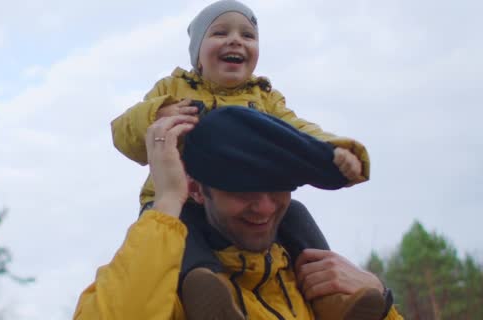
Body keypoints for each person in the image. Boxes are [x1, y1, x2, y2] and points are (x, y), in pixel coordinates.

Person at [111, 1, 376, 319]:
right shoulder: (173, 89)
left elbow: (298, 130)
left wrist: (335, 149)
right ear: (197, 55)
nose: (235, 40)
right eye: (220, 32)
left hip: (240, 206)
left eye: (248, 35)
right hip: (177, 198)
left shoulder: (265, 98)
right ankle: (204, 290)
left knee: (297, 213)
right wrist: (155, 114)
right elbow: (123, 134)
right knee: (175, 227)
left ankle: (331, 297)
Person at [74, 109, 402, 319]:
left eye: (277, 188)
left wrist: (379, 298)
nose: (265, 207)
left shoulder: (319, 283)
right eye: (242, 192)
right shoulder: (169, 294)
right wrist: (168, 202)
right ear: (197, 190)